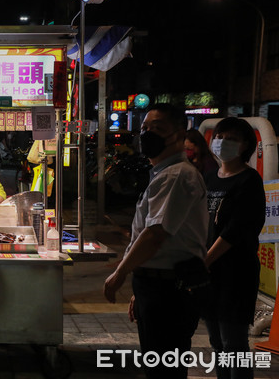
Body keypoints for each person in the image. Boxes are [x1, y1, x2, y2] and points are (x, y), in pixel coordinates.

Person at [103, 103, 209, 379]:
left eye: (158, 128)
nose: (148, 134)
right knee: (157, 366)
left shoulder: (177, 175)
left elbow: (155, 234)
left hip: (169, 291)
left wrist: (120, 273)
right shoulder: (162, 174)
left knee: (164, 370)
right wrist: (140, 283)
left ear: (179, 133)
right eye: (144, 128)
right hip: (158, 285)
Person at [203, 117, 265, 379]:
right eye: (220, 136)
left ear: (245, 146)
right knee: (217, 344)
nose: (223, 143)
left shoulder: (249, 180)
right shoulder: (209, 178)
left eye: (232, 139)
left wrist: (203, 261)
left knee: (234, 344)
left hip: (235, 274)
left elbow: (236, 231)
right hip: (208, 275)